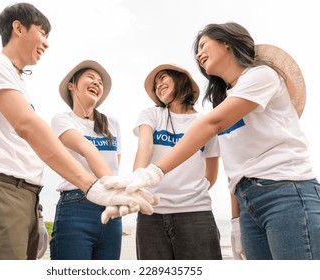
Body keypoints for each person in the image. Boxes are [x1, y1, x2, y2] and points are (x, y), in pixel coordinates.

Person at [0, 3, 154, 260]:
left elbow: (34, 142)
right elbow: (28, 126)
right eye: (42, 32)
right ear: (18, 27)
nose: (46, 42)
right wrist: (91, 186)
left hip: (26, 198)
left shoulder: (18, 81)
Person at [101, 22, 320, 260]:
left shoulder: (262, 75)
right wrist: (236, 219)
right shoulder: (224, 100)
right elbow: (234, 168)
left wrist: (150, 174)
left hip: (285, 192)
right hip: (248, 202)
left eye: (203, 45)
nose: (198, 54)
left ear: (227, 42)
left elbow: (211, 126)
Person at [133, 63, 222, 259]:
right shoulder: (152, 114)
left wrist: (189, 195)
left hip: (196, 214)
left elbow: (211, 174)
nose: (158, 85)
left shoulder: (204, 121)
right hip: (151, 214)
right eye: (156, 84)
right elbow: (145, 146)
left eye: (163, 78)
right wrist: (136, 182)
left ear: (182, 80)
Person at [49, 60, 126, 259]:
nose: (97, 83)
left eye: (100, 81)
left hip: (111, 212)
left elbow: (115, 164)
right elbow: (87, 149)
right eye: (91, 77)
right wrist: (117, 190)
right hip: (77, 206)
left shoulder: (112, 124)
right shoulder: (62, 119)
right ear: (71, 85)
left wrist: (115, 196)